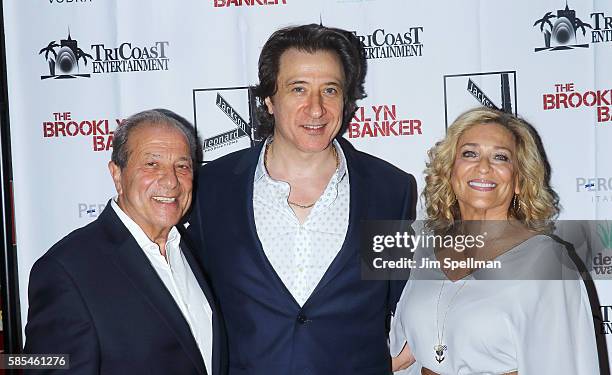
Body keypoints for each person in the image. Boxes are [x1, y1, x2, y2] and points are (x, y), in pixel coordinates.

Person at [186, 24, 417, 373]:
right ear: (269, 99)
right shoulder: (212, 189)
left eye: (330, 90)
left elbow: (406, 299)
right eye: (298, 89)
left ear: (346, 99)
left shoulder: (387, 190)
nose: (315, 109)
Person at [390, 107, 599, 374]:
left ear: (519, 181)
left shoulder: (547, 263)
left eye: (500, 157)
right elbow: (404, 356)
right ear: (450, 171)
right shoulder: (425, 248)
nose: (484, 167)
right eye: (470, 154)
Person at [24, 109, 227, 375]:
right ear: (117, 175)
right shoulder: (66, 271)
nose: (171, 180)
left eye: (182, 166)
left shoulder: (189, 249)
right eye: (152, 164)